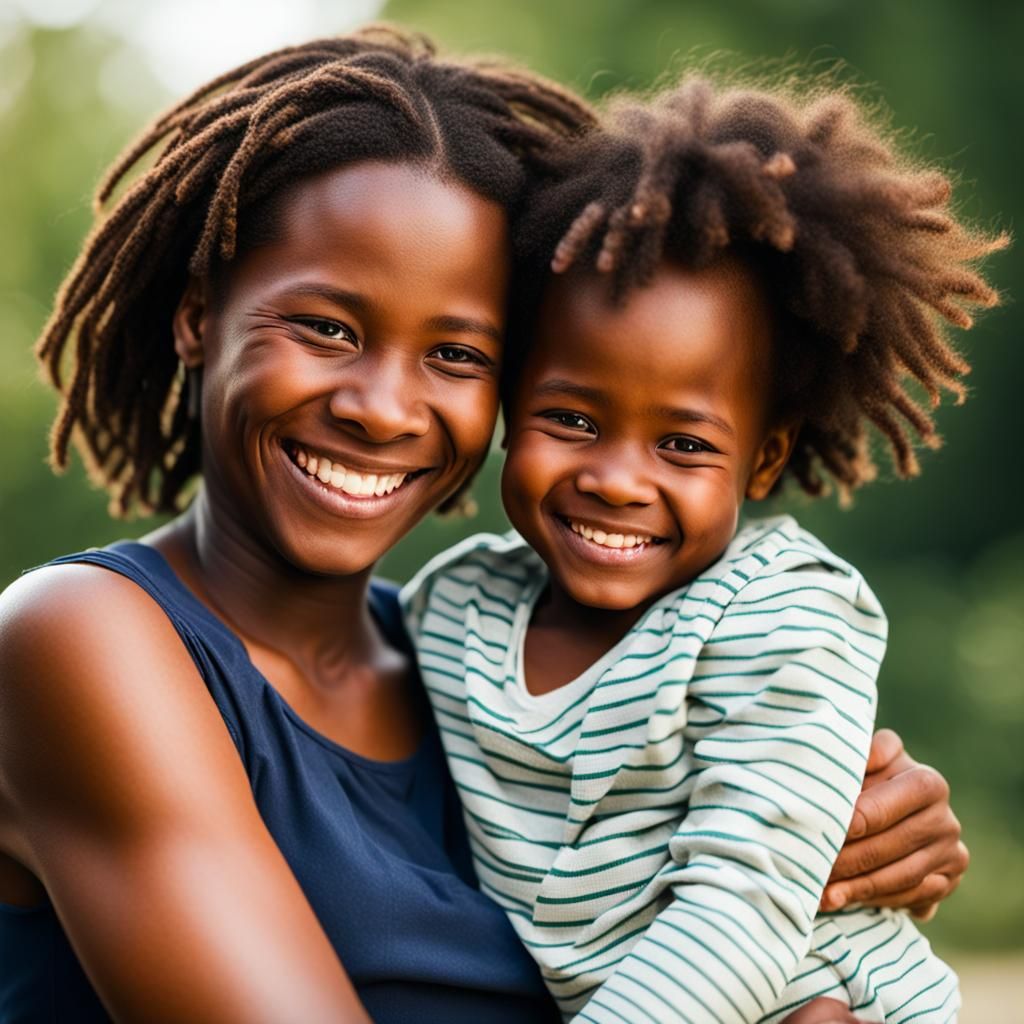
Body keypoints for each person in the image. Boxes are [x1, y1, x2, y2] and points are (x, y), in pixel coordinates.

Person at [0, 29, 967, 1024]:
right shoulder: (84, 640)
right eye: (328, 328)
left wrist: (846, 836)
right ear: (199, 315)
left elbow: (723, 899)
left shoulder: (461, 654)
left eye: (457, 354)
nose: (381, 406)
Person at [400, 74, 1005, 1023]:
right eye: (570, 418)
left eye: (682, 444)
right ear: (512, 408)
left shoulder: (782, 608)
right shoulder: (451, 610)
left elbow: (744, 913)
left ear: (763, 458)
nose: (617, 478)